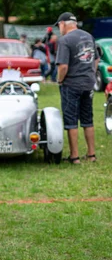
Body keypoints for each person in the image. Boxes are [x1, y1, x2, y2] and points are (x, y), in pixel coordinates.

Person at [55, 12, 100, 164]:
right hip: (88, 84)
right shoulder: (89, 36)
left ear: (63, 24)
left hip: (71, 84)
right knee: (88, 119)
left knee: (71, 121)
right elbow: (96, 59)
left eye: (59, 25)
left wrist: (59, 81)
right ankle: (91, 154)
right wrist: (90, 74)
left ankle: (74, 157)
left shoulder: (65, 40)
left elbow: (63, 67)